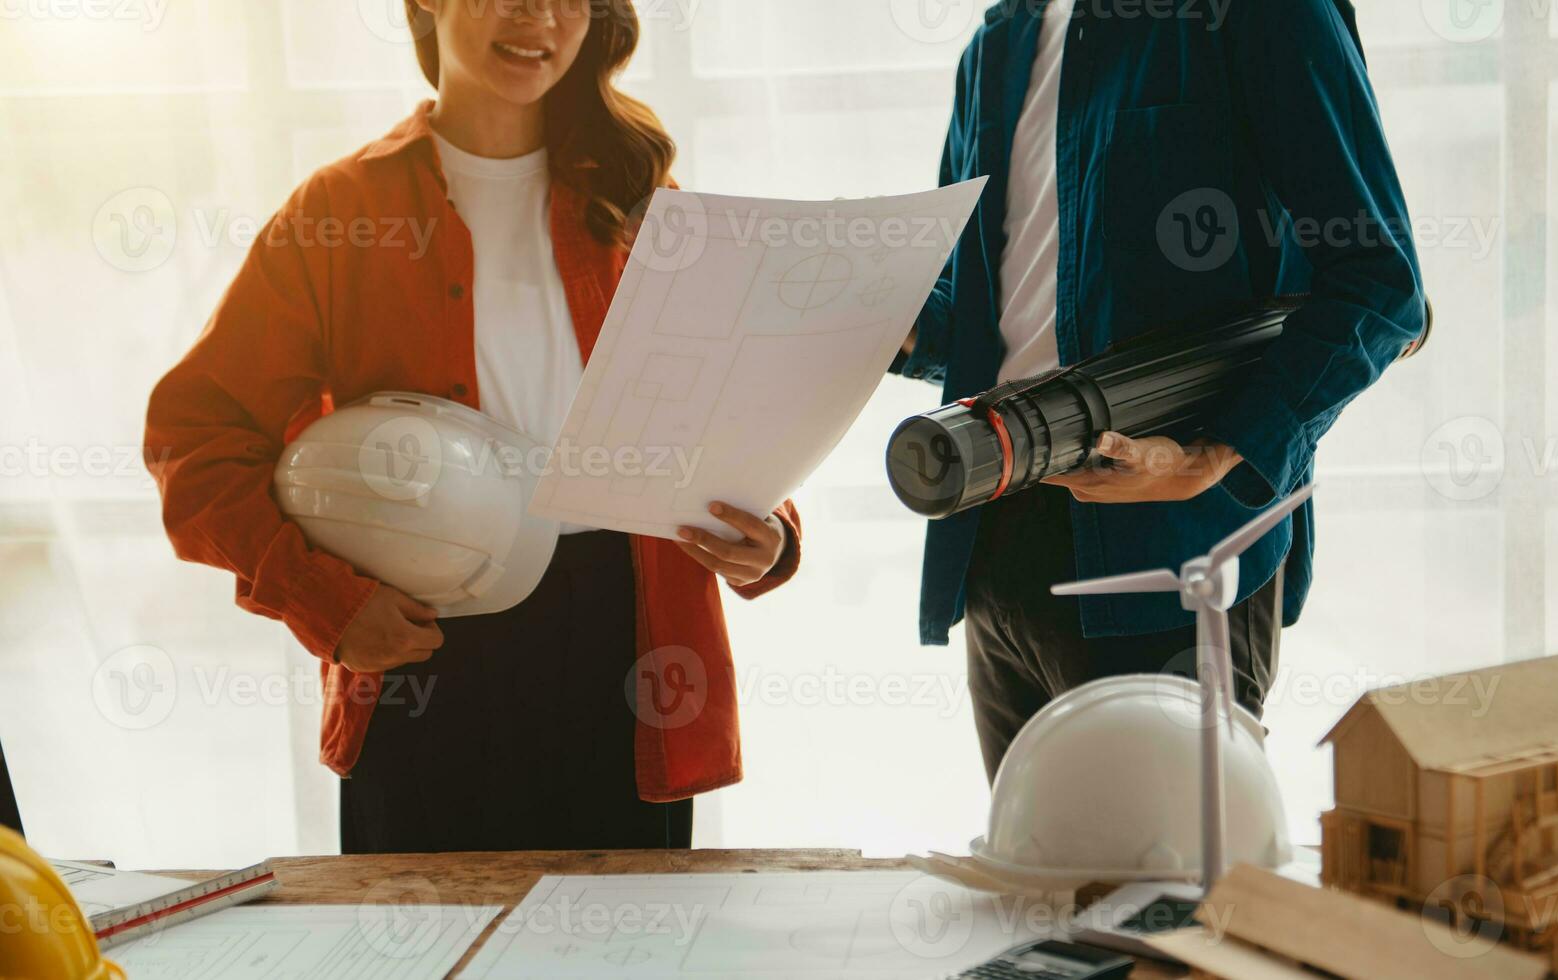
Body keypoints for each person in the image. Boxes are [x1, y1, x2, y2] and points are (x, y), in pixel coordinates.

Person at [143, 0, 801, 852]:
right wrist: (326, 604)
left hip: (628, 645)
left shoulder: (642, 201)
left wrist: (772, 535)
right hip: (421, 644)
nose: (538, 17)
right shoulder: (341, 210)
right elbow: (195, 438)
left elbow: (727, 414)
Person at [895, 0, 1426, 779]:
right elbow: (977, 316)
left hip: (1170, 549)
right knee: (1032, 891)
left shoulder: (1256, 15)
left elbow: (1380, 285)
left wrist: (1213, 456)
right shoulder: (994, 44)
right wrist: (876, 314)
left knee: (1172, 889)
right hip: (993, 532)